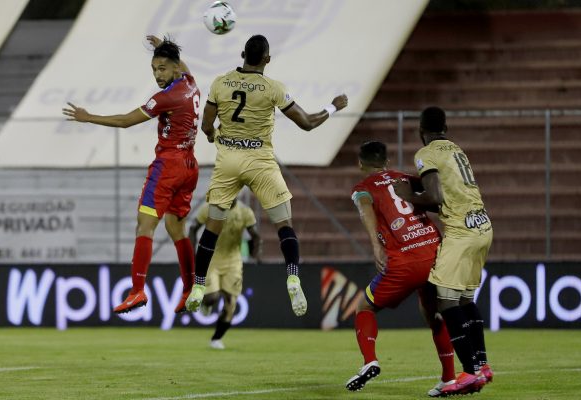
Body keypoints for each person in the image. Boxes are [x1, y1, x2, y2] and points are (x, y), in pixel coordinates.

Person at [184, 34, 348, 317]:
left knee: (211, 228)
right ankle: (293, 277)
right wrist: (333, 106)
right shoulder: (273, 88)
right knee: (284, 226)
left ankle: (198, 286)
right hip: (260, 161)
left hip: (229, 160)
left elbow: (206, 125)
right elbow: (307, 123)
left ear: (242, 54)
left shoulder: (220, 83)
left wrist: (212, 135)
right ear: (267, 59)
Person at [62, 36, 200, 314]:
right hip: (189, 166)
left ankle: (137, 291)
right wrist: (163, 47)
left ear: (174, 68)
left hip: (168, 166)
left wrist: (89, 117)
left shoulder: (165, 98)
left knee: (144, 225)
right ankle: (190, 289)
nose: (157, 75)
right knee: (176, 229)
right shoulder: (190, 82)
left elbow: (125, 121)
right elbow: (182, 65)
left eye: (162, 69)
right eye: (154, 69)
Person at [393, 106, 494, 395]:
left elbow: (435, 196)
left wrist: (408, 196)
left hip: (461, 232)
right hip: (482, 226)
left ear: (420, 130)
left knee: (446, 302)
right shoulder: (456, 150)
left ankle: (469, 372)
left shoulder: (426, 154)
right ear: (445, 128)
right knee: (465, 300)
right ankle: (482, 366)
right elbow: (447, 196)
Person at [345, 141, 456, 397]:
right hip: (435, 252)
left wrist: (375, 245)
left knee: (364, 307)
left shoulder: (362, 188)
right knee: (434, 313)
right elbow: (435, 191)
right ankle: (449, 378)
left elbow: (365, 208)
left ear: (360, 164)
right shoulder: (404, 178)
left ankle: (370, 361)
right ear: (387, 161)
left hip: (405, 260)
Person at [187, 199, 261, 349]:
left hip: (233, 261)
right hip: (211, 259)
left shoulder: (245, 212)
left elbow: (256, 235)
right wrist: (193, 254)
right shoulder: (210, 208)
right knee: (212, 298)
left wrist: (255, 253)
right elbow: (193, 227)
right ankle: (206, 303)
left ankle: (216, 338)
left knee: (230, 303)